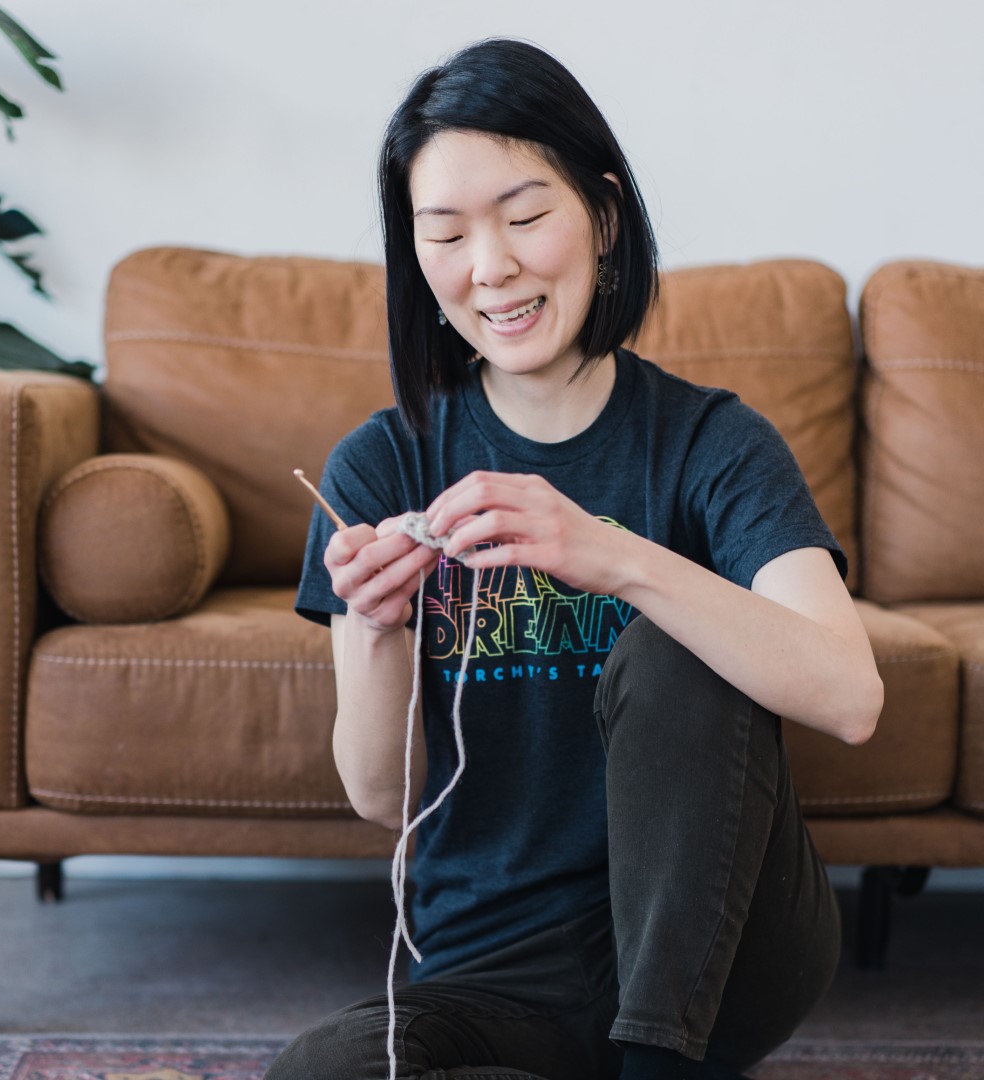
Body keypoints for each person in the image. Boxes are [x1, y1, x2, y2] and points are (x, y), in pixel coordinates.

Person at [272, 37, 883, 1080]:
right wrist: (376, 625)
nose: (491, 267)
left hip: (724, 957)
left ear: (601, 216)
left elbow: (850, 695)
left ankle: (654, 1061)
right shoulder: (382, 464)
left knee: (684, 647)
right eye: (447, 234)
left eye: (523, 217)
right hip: (488, 971)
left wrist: (616, 556)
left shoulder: (714, 443)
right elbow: (380, 794)